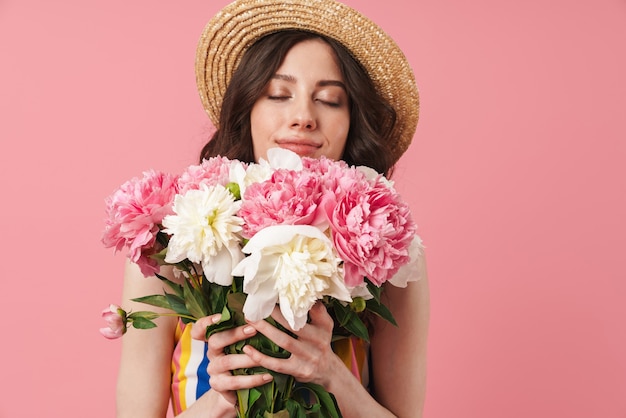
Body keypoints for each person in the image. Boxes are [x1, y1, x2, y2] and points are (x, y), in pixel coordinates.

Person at [115, 0, 429, 417]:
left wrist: (331, 374)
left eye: (331, 100)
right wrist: (223, 397)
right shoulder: (172, 247)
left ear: (353, 121)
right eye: (278, 94)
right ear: (247, 110)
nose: (303, 117)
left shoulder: (389, 254)